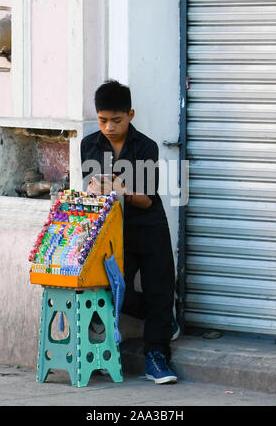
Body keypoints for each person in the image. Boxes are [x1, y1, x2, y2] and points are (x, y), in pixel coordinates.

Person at [80, 80, 179, 384]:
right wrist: (94, 189)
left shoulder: (145, 146)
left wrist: (122, 190)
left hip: (149, 225)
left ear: (130, 115)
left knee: (160, 287)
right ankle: (161, 319)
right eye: (102, 120)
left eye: (116, 120)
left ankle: (156, 358)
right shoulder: (89, 145)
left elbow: (147, 199)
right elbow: (91, 191)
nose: (108, 127)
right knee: (114, 288)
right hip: (112, 229)